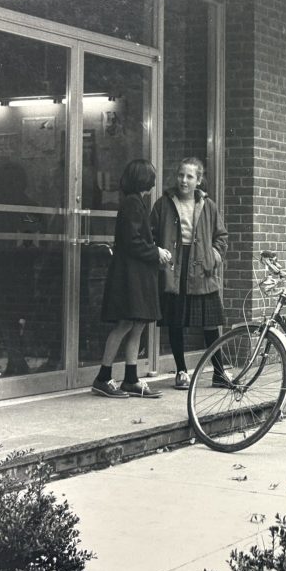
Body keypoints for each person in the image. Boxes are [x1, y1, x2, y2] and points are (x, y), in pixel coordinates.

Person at [94, 159, 173, 398]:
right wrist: (156, 252)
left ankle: (131, 379)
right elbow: (132, 241)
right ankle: (103, 377)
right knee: (126, 324)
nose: (153, 182)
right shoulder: (133, 204)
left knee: (136, 324)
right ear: (144, 180)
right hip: (131, 275)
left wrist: (155, 251)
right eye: (151, 177)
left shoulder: (134, 202)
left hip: (136, 274)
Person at [150, 157, 229, 390]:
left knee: (210, 323)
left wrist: (212, 257)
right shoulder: (163, 204)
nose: (184, 180)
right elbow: (150, 233)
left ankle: (219, 372)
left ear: (199, 180)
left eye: (190, 176)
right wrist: (158, 252)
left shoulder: (208, 205)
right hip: (175, 267)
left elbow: (221, 236)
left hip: (201, 268)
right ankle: (181, 372)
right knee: (176, 321)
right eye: (180, 175)